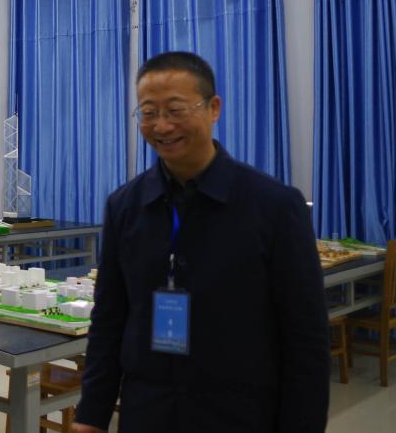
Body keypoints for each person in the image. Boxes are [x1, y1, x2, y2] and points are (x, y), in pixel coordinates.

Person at [72, 51, 330, 433]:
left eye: (176, 110)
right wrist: (91, 415)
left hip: (240, 414)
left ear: (214, 108)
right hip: (148, 413)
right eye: (148, 112)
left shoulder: (274, 206)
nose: (162, 126)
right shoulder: (125, 206)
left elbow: (305, 338)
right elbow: (110, 319)